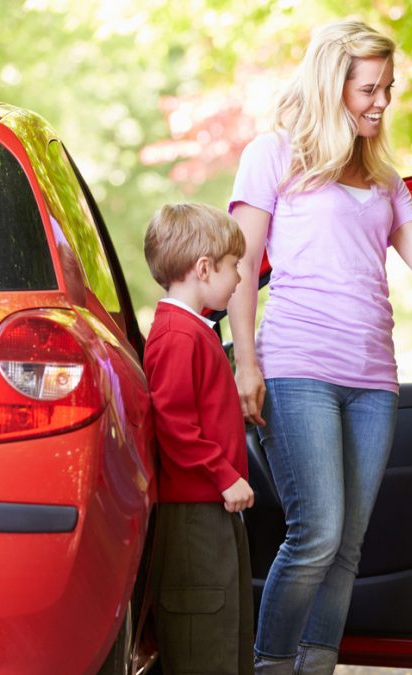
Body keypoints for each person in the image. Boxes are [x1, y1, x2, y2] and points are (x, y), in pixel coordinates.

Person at [226, 19, 412, 675]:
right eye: (368, 89)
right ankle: (271, 664)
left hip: (373, 382)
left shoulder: (384, 177)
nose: (381, 101)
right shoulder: (273, 153)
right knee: (318, 531)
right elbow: (240, 265)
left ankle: (317, 666)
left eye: (387, 87)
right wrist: (246, 361)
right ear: (333, 85)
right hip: (297, 368)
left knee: (348, 543)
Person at [143, 203, 255, 675]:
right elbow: (173, 423)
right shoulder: (176, 336)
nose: (240, 279)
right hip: (194, 512)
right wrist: (224, 475)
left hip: (214, 507)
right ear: (204, 268)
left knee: (227, 628)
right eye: (234, 268)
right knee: (201, 638)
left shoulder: (196, 331)